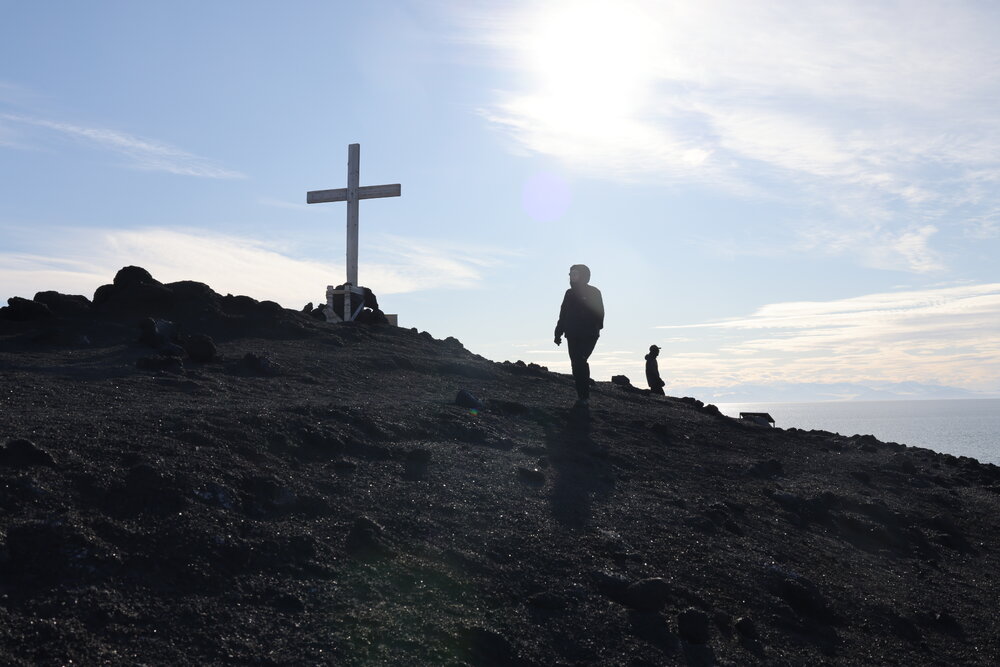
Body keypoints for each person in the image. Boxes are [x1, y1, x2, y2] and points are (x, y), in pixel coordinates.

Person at [554, 264, 604, 408]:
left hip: (589, 335)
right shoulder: (569, 293)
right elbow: (563, 314)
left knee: (580, 360)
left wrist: (596, 328)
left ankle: (585, 396)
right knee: (576, 364)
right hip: (572, 334)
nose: (571, 276)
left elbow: (600, 313)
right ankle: (582, 396)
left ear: (583, 276)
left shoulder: (594, 292)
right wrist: (558, 332)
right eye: (570, 274)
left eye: (574, 273)